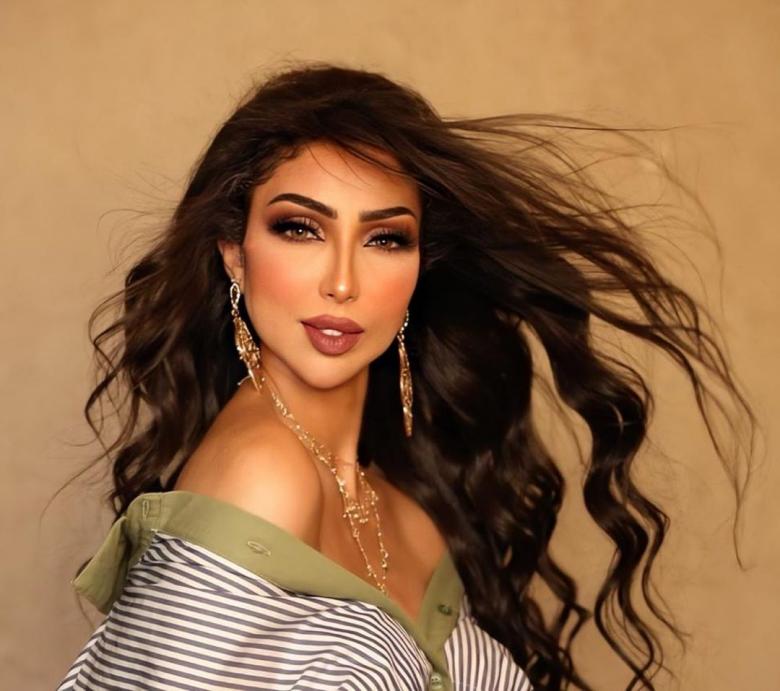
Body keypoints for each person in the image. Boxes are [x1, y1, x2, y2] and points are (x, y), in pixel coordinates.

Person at [55, 62, 755, 691]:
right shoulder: (262, 473)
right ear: (235, 254)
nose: (342, 281)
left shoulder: (407, 508)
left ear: (420, 268)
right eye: (300, 228)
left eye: (385, 238)